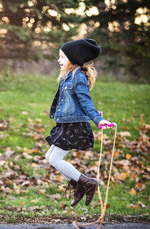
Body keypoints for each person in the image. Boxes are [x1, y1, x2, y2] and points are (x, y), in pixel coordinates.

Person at [45, 38, 113, 207]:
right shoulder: (66, 78)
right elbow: (77, 104)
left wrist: (98, 119)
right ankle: (78, 184)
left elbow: (86, 102)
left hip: (74, 127)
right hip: (66, 124)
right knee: (49, 157)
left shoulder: (78, 78)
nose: (58, 60)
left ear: (73, 58)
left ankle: (87, 183)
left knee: (55, 159)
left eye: (62, 57)